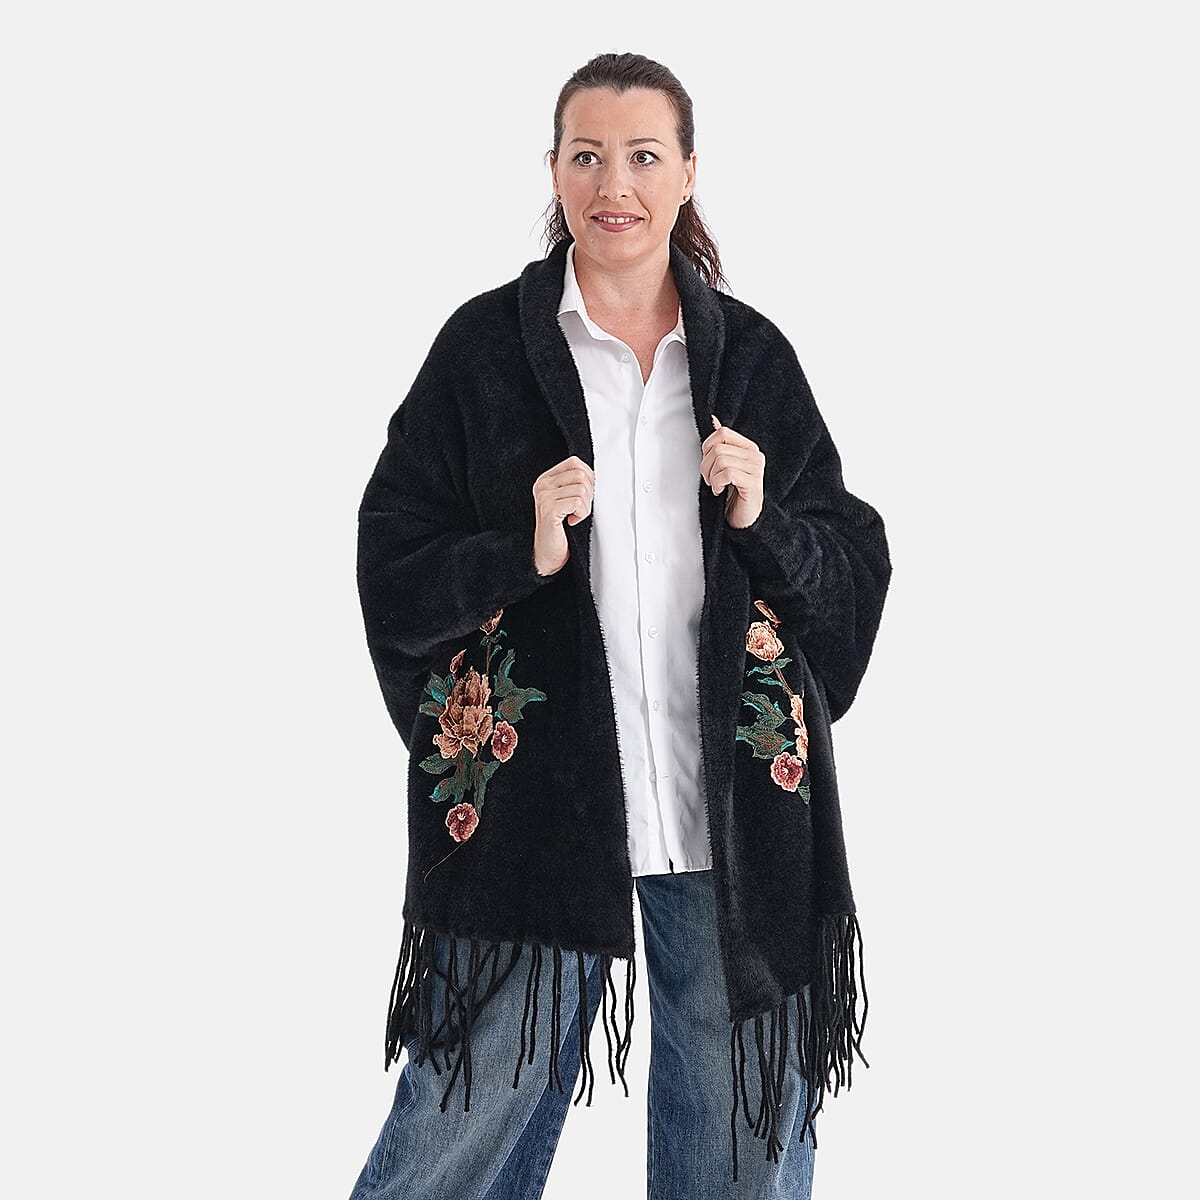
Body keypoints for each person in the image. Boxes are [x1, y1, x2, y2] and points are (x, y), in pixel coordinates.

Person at [348, 51, 892, 1200]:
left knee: (746, 1147)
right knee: (461, 1120)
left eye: (644, 155)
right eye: (588, 155)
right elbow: (392, 562)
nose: (616, 184)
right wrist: (524, 550)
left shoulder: (753, 361)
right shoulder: (484, 355)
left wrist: (760, 518)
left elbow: (851, 572)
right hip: (535, 808)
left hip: (730, 812)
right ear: (554, 170)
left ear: (687, 173)